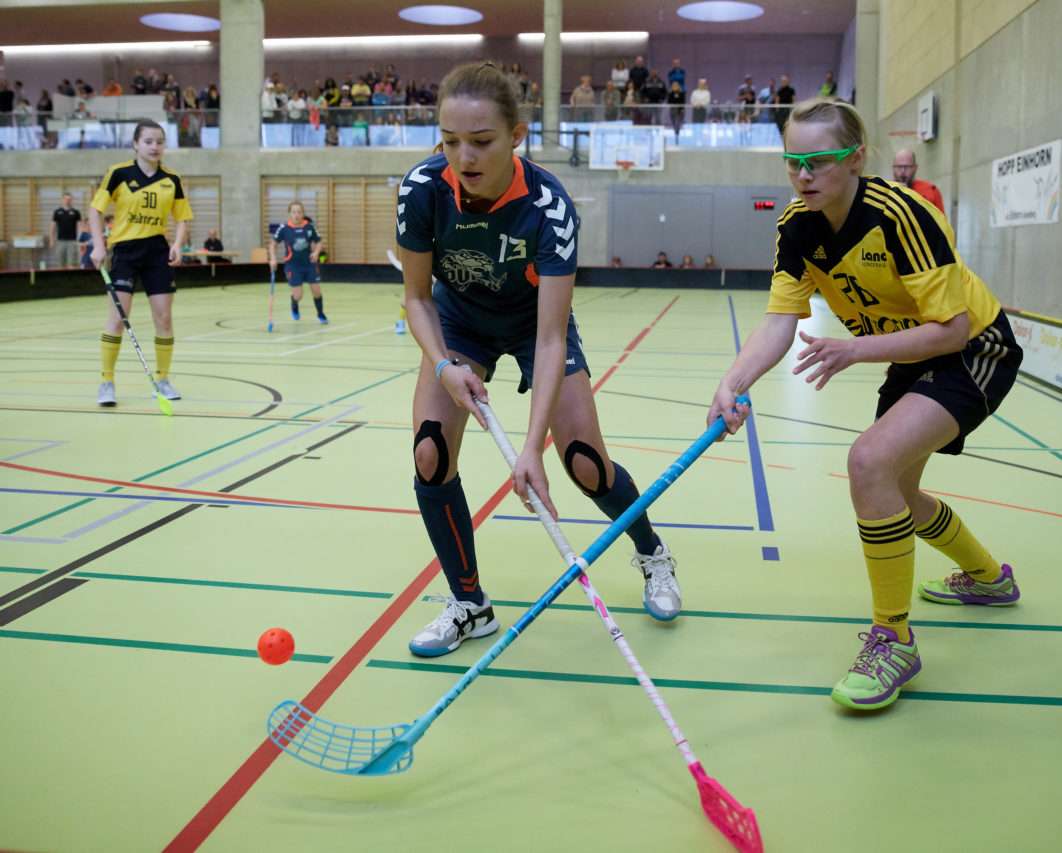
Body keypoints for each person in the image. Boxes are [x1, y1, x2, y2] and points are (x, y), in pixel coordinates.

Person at [705, 97, 1023, 712]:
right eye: (793, 161)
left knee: (868, 462)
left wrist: (856, 348)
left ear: (856, 159)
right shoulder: (796, 225)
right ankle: (989, 578)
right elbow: (780, 321)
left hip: (974, 349)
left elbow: (953, 330)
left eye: (818, 161)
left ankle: (894, 640)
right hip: (910, 352)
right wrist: (733, 381)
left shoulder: (902, 214)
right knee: (896, 491)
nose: (803, 174)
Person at [396, 61, 683, 657]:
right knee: (430, 453)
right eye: (450, 141)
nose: (463, 157)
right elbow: (418, 297)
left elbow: (552, 337)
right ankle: (470, 606)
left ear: (517, 135)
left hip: (533, 325)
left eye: (481, 141)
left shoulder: (550, 207)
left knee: (584, 464)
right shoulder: (422, 190)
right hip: (457, 322)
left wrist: (530, 448)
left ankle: (653, 553)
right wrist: (446, 367)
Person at [89, 119, 192, 407]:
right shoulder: (119, 173)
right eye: (148, 141)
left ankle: (162, 379)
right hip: (125, 252)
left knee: (164, 319)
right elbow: (96, 210)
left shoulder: (172, 179)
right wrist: (99, 245)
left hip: (157, 253)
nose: (155, 146)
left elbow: (182, 218)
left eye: (159, 141)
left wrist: (177, 243)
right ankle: (106, 382)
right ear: (135, 144)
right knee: (117, 320)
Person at [269, 202, 327, 323]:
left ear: (303, 213)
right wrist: (273, 259)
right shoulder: (284, 228)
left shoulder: (309, 227)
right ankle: (294, 304)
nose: (296, 215)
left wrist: (316, 253)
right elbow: (273, 245)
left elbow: (319, 242)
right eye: (294, 212)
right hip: (293, 266)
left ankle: (320, 314)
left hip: (309, 264)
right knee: (298, 295)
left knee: (317, 291)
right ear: (290, 213)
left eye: (299, 212)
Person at [892, 148, 946, 216]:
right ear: (893, 168)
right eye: (899, 167)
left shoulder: (932, 190)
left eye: (907, 167)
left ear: (915, 167)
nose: (903, 170)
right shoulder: (884, 189)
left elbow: (941, 223)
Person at [49, 192, 82, 268]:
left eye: (70, 199)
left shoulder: (76, 212)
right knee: (61, 263)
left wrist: (80, 239)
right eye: (66, 199)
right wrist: (51, 240)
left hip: (72, 241)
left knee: (72, 263)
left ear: (72, 200)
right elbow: (52, 227)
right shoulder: (57, 212)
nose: (68, 201)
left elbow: (79, 226)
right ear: (62, 199)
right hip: (60, 240)